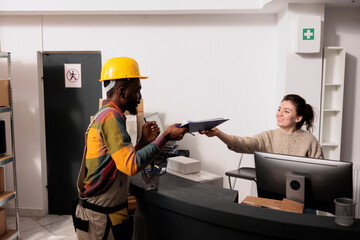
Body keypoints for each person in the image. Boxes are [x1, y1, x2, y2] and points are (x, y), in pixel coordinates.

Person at [73, 57, 187, 240]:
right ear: (122, 91)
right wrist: (165, 137)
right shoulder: (111, 117)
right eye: (138, 91)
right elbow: (130, 166)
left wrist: (142, 143)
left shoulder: (105, 114)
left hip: (106, 215)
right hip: (99, 220)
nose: (140, 97)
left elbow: (116, 161)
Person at [200, 94, 323, 159]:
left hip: (303, 200)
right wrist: (218, 133)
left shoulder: (309, 140)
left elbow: (321, 172)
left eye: (286, 111)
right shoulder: (268, 137)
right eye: (279, 109)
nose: (279, 114)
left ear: (298, 118)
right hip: (273, 195)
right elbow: (244, 144)